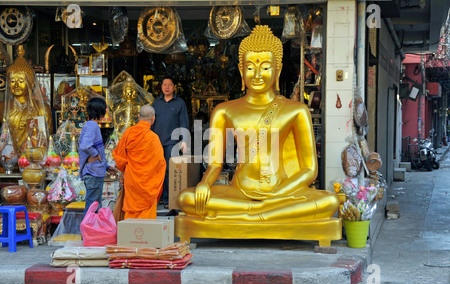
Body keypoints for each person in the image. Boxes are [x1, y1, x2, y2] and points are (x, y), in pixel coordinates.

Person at [177, 25, 339, 223]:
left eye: (264, 67)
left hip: (280, 191)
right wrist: (204, 183)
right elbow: (215, 164)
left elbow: (309, 170)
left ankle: (254, 212)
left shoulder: (296, 110)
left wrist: (277, 194)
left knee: (329, 201)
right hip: (239, 191)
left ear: (277, 69)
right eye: (251, 67)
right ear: (241, 69)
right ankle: (262, 213)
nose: (257, 75)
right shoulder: (224, 110)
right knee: (187, 198)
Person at [113, 105, 166, 219]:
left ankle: (129, 235)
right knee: (146, 218)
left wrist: (123, 173)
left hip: (132, 180)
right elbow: (160, 163)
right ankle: (145, 236)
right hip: (148, 184)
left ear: (138, 116)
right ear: (153, 119)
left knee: (131, 215)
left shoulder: (128, 133)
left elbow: (119, 157)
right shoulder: (153, 138)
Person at [151, 75, 189, 209]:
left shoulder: (180, 103)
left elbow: (184, 121)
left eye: (169, 85)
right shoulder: (156, 103)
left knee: (169, 170)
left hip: (172, 142)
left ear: (174, 87)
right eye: (164, 85)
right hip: (156, 142)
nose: (167, 87)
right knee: (156, 170)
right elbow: (151, 122)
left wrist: (184, 140)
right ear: (161, 87)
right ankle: (159, 197)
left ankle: (168, 199)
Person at [79, 97, 118, 216]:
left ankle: (92, 231)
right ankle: (87, 232)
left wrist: (106, 167)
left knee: (94, 205)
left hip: (94, 171)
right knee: (93, 206)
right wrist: (96, 155)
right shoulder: (93, 126)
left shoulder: (90, 125)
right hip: (93, 173)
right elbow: (85, 146)